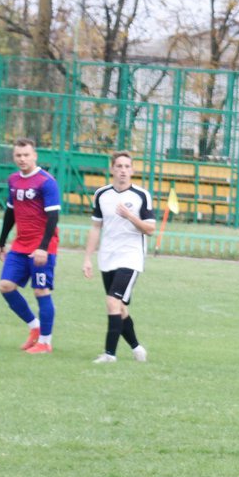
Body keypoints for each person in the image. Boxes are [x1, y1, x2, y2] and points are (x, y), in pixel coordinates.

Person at [83, 151, 156, 362]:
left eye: (127, 167)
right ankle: (137, 347)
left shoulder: (141, 196)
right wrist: (87, 258)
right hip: (107, 257)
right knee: (119, 307)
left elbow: (149, 229)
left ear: (132, 170)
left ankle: (109, 354)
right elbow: (96, 227)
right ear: (112, 169)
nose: (123, 170)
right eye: (119, 166)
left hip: (131, 257)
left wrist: (131, 216)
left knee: (112, 302)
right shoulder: (102, 194)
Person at [0, 138, 61, 354]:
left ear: (35, 156)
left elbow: (53, 217)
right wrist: (2, 241)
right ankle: (35, 328)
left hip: (43, 246)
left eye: (26, 155)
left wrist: (43, 247)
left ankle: (45, 342)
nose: (22, 159)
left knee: (40, 291)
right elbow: (10, 212)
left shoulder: (46, 181)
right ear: (14, 157)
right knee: (5, 285)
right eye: (18, 155)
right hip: (20, 245)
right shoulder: (13, 180)